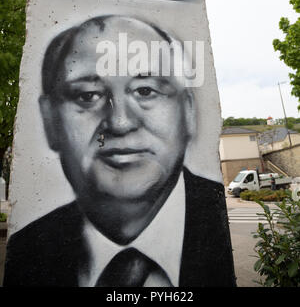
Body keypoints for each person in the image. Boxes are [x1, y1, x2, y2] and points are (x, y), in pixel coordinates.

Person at [4, 15, 236, 287]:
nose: (120, 122)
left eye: (146, 90)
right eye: (87, 95)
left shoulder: (218, 223)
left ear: (188, 111)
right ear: (50, 120)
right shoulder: (27, 251)